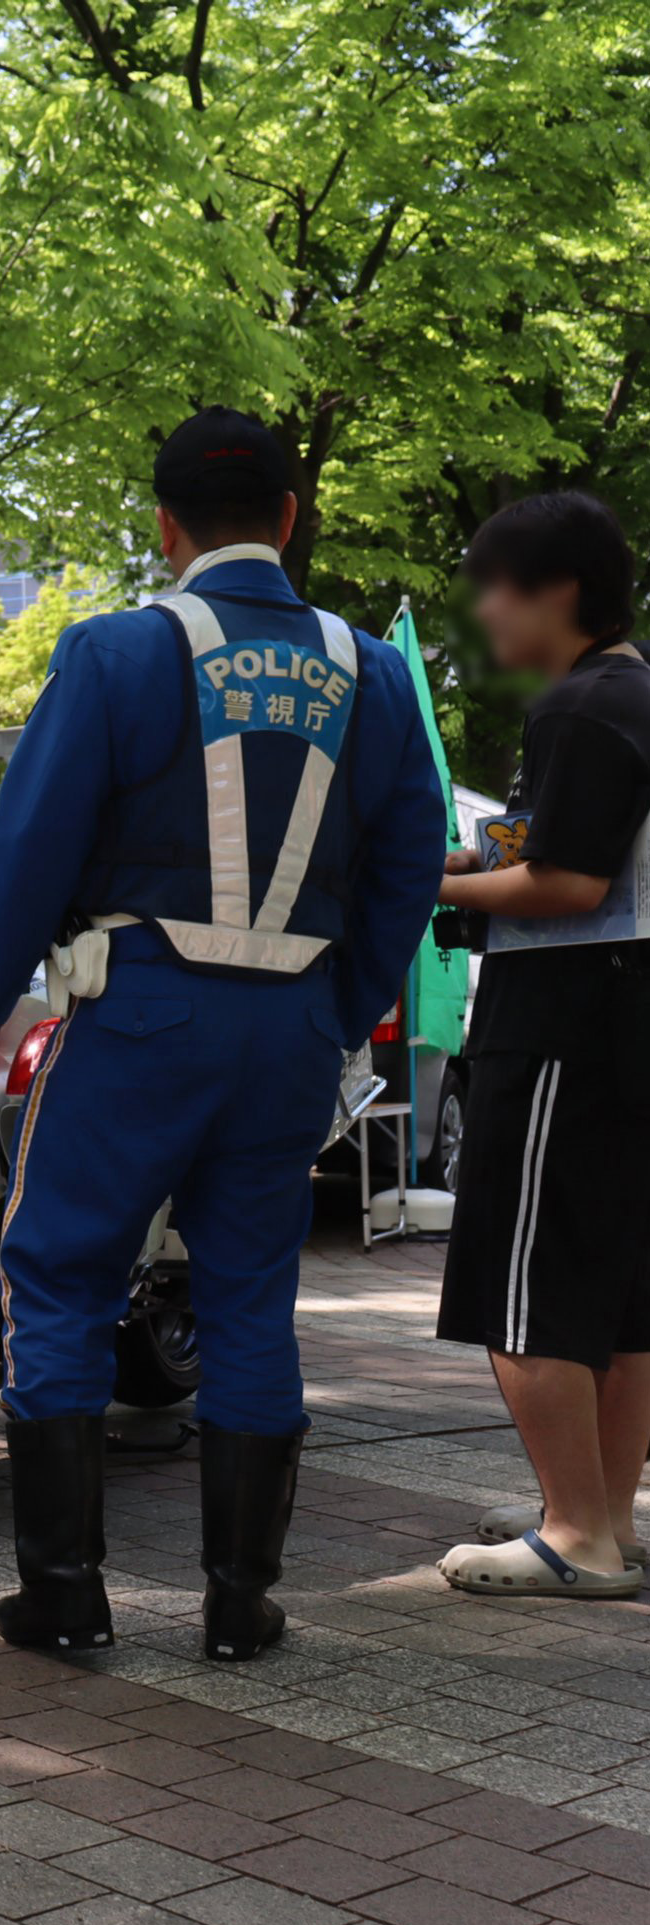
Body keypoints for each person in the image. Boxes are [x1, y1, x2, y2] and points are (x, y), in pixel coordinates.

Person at [0, 409, 446, 1659]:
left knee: (60, 1271)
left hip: (140, 1006)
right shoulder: (375, 674)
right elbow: (404, 869)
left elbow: (31, 840)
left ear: (166, 527)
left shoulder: (115, 652)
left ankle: (63, 1596)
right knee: (248, 1296)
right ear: (289, 518)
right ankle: (240, 1603)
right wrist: (341, 1006)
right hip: (290, 1023)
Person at [430, 494, 650, 1599]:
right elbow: (545, 840)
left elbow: (568, 879)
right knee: (617, 1290)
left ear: (553, 590)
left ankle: (573, 1530)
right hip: (623, 1020)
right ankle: (605, 1512)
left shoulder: (583, 704)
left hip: (561, 1020)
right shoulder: (628, 691)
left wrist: (422, 879)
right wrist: (475, 860)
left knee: (521, 1281)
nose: (481, 613)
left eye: (490, 588)